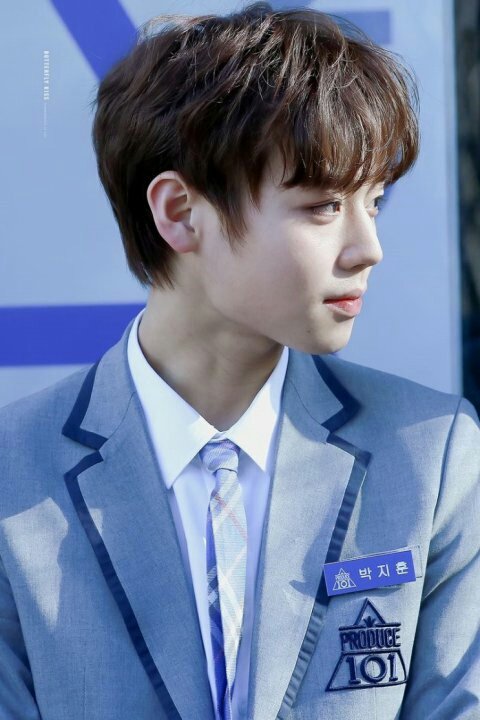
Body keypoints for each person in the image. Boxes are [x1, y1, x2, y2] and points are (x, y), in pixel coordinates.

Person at [0, 3, 478, 719]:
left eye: (374, 202)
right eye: (322, 206)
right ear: (179, 213)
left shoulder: (431, 454)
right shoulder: (14, 471)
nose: (368, 248)